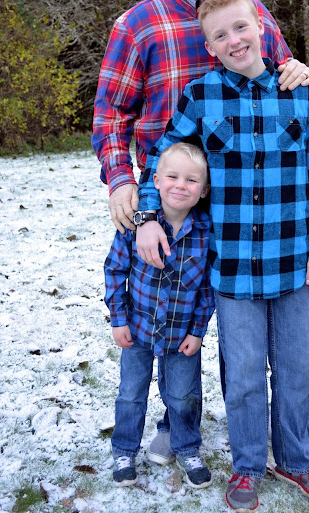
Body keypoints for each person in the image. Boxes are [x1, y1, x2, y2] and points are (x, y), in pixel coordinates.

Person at [92, 0, 309, 468]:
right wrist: (123, 185)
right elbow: (111, 115)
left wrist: (300, 70)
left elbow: (282, 79)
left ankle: (251, 434)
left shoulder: (251, 13)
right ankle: (177, 418)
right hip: (172, 203)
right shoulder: (138, 24)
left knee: (237, 330)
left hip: (248, 202)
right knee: (171, 311)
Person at [137, 0, 309, 511]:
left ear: (261, 28)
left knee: (296, 370)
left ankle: (296, 459)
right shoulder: (201, 96)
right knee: (245, 374)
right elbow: (161, 157)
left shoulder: (298, 91)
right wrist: (146, 215)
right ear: (209, 46)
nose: (234, 40)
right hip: (232, 269)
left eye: (241, 27)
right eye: (220, 35)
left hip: (294, 261)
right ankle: (248, 465)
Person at [104, 142, 214, 490]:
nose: (181, 185)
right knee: (131, 394)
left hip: (180, 334)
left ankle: (188, 449)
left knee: (183, 395)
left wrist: (197, 331)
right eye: (172, 177)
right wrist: (118, 318)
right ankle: (124, 451)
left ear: (204, 190)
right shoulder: (135, 226)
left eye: (191, 180)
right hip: (137, 329)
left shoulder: (206, 233)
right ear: (155, 180)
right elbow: (114, 270)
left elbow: (208, 287)